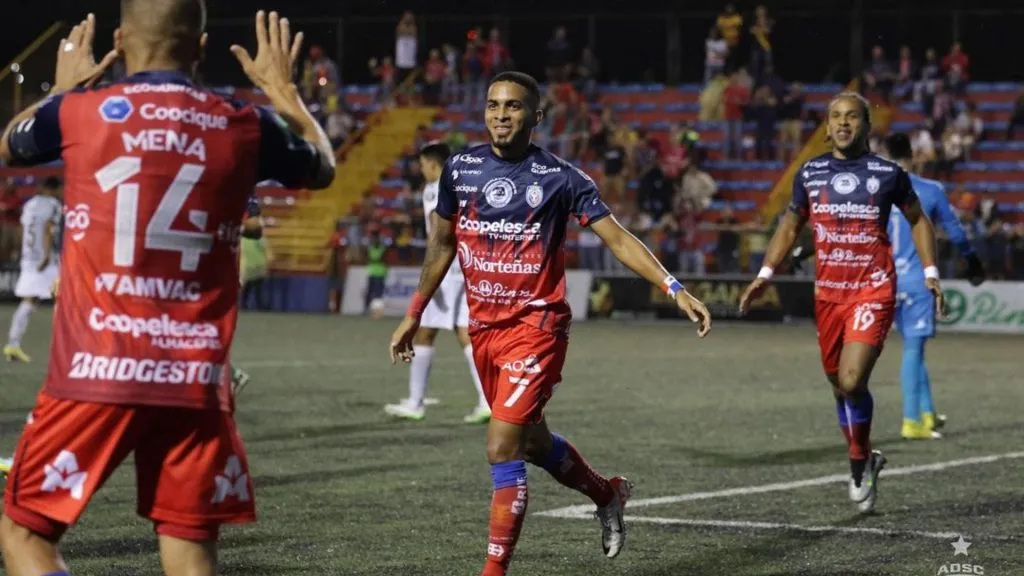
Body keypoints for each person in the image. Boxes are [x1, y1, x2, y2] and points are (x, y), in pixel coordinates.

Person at [0, 6, 335, 576]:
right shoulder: (245, 124)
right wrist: (283, 90)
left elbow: (10, 143)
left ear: (120, 40)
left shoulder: (78, 112)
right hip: (194, 380)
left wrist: (59, 88)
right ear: (200, 47)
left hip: (94, 369)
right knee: (188, 549)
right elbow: (323, 167)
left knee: (25, 535)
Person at [388, 71, 712, 576]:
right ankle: (607, 493)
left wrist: (674, 288)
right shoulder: (460, 169)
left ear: (536, 117)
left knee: (501, 446)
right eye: (494, 104)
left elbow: (619, 238)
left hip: (536, 329)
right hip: (485, 329)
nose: (501, 114)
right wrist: (414, 313)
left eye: (513, 106)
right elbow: (442, 245)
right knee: (532, 442)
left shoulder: (562, 178)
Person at [739, 92, 943, 515]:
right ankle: (865, 458)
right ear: (827, 127)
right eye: (835, 117)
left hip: (872, 288)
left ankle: (857, 461)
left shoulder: (886, 174)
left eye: (852, 117)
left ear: (867, 125)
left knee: (851, 381)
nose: (843, 124)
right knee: (837, 385)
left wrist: (930, 273)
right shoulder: (810, 173)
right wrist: (765, 274)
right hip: (828, 294)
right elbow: (791, 224)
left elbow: (918, 219)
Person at [881, 132, 985, 440]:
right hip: (917, 279)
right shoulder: (930, 189)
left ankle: (927, 413)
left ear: (885, 157)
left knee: (915, 348)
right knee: (914, 348)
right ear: (912, 157)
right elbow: (954, 230)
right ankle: (911, 420)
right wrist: (972, 261)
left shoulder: (877, 191)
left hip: (886, 280)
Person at [384, 142, 491, 424]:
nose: (421, 170)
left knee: (425, 333)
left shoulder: (435, 188)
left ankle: (416, 403)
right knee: (464, 331)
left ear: (432, 164)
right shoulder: (464, 183)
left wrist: (431, 272)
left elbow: (437, 231)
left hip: (445, 269)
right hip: (465, 265)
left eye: (422, 165)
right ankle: (486, 399)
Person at [3, 177, 62, 363]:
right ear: (54, 189)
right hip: (46, 261)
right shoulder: (53, 204)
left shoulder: (30, 204)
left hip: (29, 258)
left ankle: (12, 344)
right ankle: (65, 349)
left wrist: (25, 252)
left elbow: (22, 228)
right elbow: (48, 229)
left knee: (29, 301)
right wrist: (46, 255)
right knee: (64, 301)